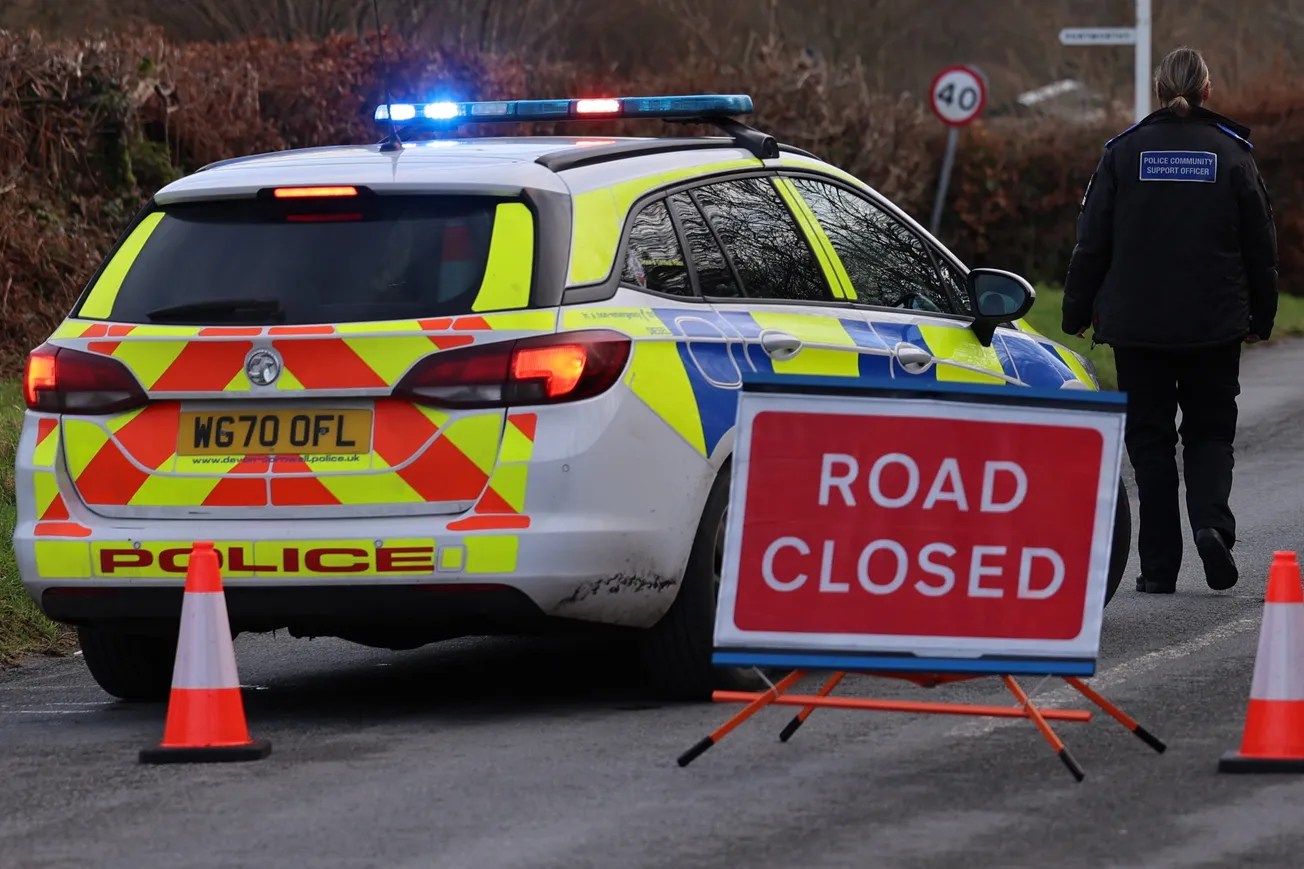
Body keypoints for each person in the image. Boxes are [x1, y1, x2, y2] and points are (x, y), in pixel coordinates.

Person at [1061, 46, 1278, 595]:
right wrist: (1262, 315)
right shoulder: (1233, 156)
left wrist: (1076, 313)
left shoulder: (1122, 154)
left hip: (1137, 329)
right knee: (1209, 432)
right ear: (1207, 91)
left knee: (1151, 442)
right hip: (1214, 324)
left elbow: (1092, 244)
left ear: (1159, 91)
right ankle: (1211, 524)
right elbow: (1261, 247)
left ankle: (1158, 567)